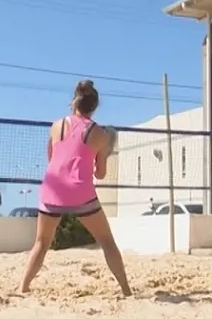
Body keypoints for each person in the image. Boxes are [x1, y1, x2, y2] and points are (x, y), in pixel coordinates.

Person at [20, 79, 132, 295]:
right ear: (95, 107)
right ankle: (126, 290)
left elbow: (51, 158)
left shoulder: (56, 125)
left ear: (74, 102)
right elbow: (100, 173)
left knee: (41, 244)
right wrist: (106, 153)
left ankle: (22, 287)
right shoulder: (100, 134)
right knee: (107, 242)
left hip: (52, 188)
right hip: (81, 193)